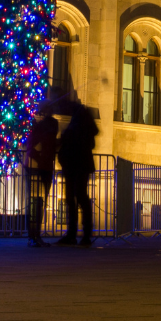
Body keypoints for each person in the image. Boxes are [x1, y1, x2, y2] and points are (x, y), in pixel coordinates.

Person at [57, 99, 98, 246]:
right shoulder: (79, 119)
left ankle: (82, 234)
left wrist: (66, 138)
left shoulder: (80, 120)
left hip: (77, 163)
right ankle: (75, 234)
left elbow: (78, 140)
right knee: (73, 197)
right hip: (74, 163)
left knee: (79, 196)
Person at [25, 104, 59, 247]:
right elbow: (33, 147)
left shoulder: (42, 127)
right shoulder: (46, 127)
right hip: (39, 167)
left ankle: (34, 236)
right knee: (37, 202)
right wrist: (41, 160)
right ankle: (34, 236)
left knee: (37, 202)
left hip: (39, 166)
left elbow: (33, 147)